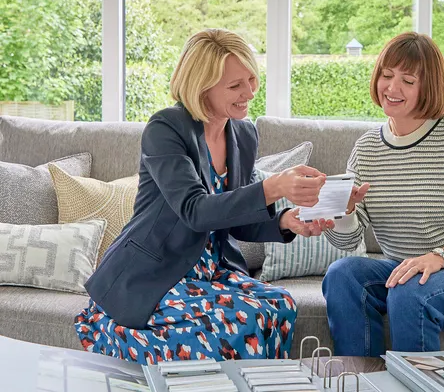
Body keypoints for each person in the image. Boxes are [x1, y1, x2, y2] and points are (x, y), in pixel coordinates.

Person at [75, 29, 334, 363]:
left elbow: (236, 218)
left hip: (212, 272)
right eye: (235, 85)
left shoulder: (243, 133)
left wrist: (286, 221)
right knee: (236, 319)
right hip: (157, 273)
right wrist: (274, 188)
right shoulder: (166, 129)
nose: (250, 93)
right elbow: (196, 211)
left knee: (279, 303)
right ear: (202, 86)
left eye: (252, 79)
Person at [323, 32, 444, 356]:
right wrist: (343, 212)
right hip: (407, 268)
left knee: (410, 291)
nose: (392, 88)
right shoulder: (367, 149)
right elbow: (347, 243)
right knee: (342, 275)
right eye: (386, 76)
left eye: (408, 80)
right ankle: (362, 381)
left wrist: (438, 257)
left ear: (428, 87)